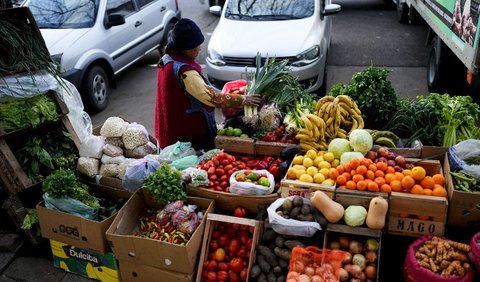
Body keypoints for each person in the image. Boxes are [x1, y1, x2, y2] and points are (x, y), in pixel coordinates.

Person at [154, 18, 262, 150]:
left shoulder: (167, 59)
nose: (199, 49)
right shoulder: (185, 72)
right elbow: (212, 98)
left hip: (169, 124)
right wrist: (243, 99)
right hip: (185, 133)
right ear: (185, 49)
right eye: (196, 46)